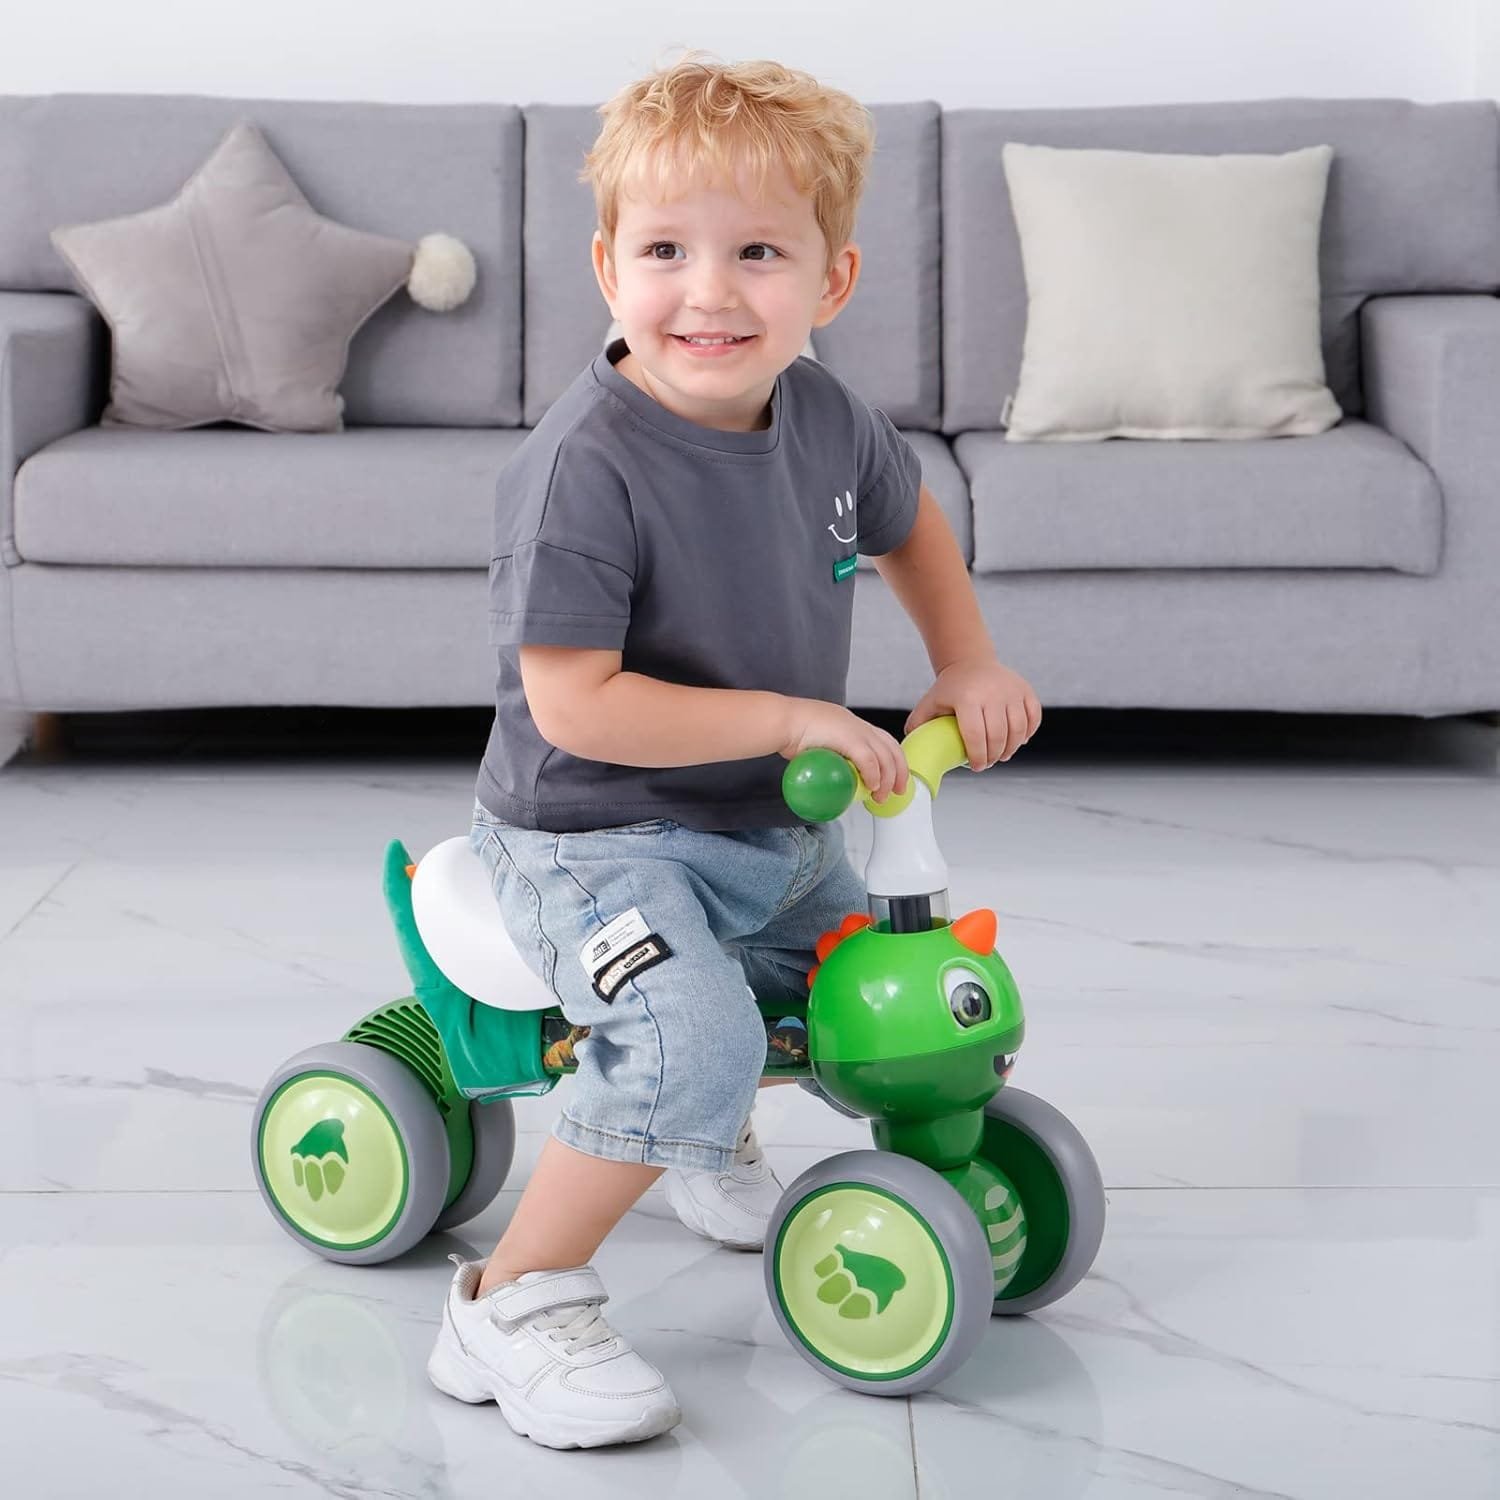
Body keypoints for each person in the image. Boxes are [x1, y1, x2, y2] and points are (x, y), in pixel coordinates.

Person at [426, 53, 1042, 1450]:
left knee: (888, 990)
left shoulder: (823, 415)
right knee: (691, 1029)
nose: (708, 292)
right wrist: (786, 719)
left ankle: (719, 1138)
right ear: (608, 268)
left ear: (832, 280)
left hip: (765, 826)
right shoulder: (581, 468)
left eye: (758, 252)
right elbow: (577, 706)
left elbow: (909, 521)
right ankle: (508, 1304)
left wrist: (964, 659)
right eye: (665, 251)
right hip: (590, 839)